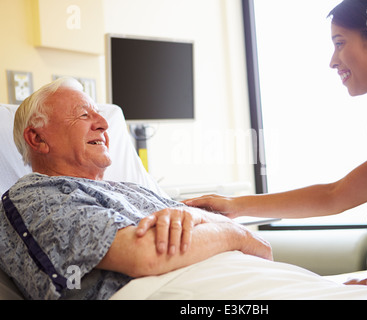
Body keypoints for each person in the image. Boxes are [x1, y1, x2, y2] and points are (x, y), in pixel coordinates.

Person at [185, 0, 367, 290]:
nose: (333, 60)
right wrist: (234, 206)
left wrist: (362, 282)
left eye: (340, 43)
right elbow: (334, 195)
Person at [0, 77, 272, 300]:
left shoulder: (132, 189)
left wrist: (221, 228)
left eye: (99, 114)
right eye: (84, 114)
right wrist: (233, 233)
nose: (104, 124)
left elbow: (261, 248)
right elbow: (147, 255)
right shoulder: (36, 196)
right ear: (37, 138)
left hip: (256, 281)